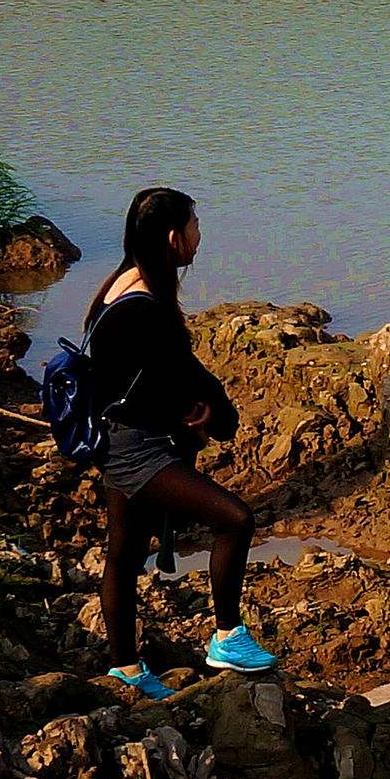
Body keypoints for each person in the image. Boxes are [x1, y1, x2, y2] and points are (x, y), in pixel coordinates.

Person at [84, 186, 272, 696]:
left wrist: (188, 408)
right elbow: (169, 375)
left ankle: (125, 667)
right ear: (173, 237)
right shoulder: (146, 308)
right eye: (194, 226)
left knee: (123, 554)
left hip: (113, 437)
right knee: (235, 520)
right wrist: (198, 412)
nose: (199, 236)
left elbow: (140, 373)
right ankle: (228, 636)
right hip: (136, 450)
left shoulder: (118, 286)